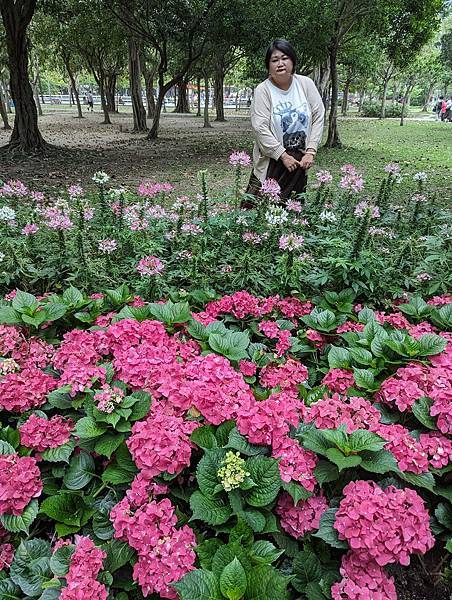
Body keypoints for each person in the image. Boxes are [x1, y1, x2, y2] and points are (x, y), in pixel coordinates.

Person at [246, 39, 325, 202]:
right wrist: (282, 155)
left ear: (293, 61)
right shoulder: (263, 90)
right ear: (268, 66)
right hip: (273, 161)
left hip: (300, 161)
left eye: (285, 58)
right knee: (260, 209)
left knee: (293, 210)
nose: (280, 63)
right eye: (274, 60)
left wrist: (311, 151)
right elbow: (259, 128)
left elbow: (318, 115)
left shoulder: (305, 84)